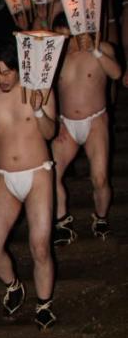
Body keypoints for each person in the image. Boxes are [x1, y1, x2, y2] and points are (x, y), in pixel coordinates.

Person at [0, 42, 57, 330]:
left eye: (7, 72)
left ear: (20, 68)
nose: (2, 79)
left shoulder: (39, 89)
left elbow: (50, 132)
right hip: (4, 176)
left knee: (40, 245)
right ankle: (13, 285)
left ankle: (44, 304)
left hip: (37, 174)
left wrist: (38, 111)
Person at [51, 13, 122, 243]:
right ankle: (63, 222)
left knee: (100, 178)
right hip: (65, 123)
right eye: (59, 37)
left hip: (95, 121)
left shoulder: (101, 47)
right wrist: (56, 122)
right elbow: (46, 93)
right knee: (50, 173)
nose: (65, 42)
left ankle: (100, 218)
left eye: (68, 36)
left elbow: (117, 73)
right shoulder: (54, 56)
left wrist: (95, 50)